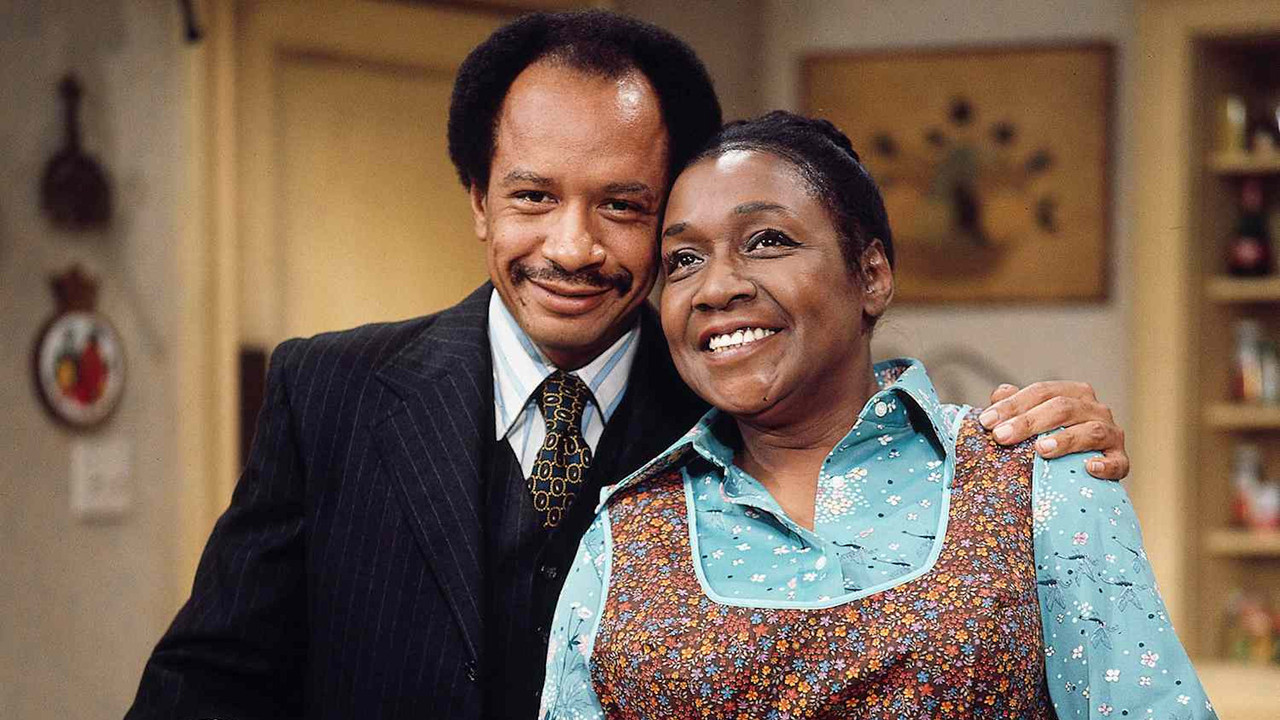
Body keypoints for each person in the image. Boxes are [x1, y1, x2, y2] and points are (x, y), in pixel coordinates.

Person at [127, 11, 1133, 720]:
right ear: (477, 200)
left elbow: (869, 442)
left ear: (671, 215)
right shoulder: (331, 391)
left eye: (621, 206)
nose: (571, 249)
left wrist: (1036, 440)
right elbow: (209, 684)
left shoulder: (744, 402)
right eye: (531, 198)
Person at [539, 112, 1214, 719]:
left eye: (767, 241)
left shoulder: (1034, 475)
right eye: (684, 260)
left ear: (872, 276)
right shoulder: (625, 531)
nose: (716, 288)